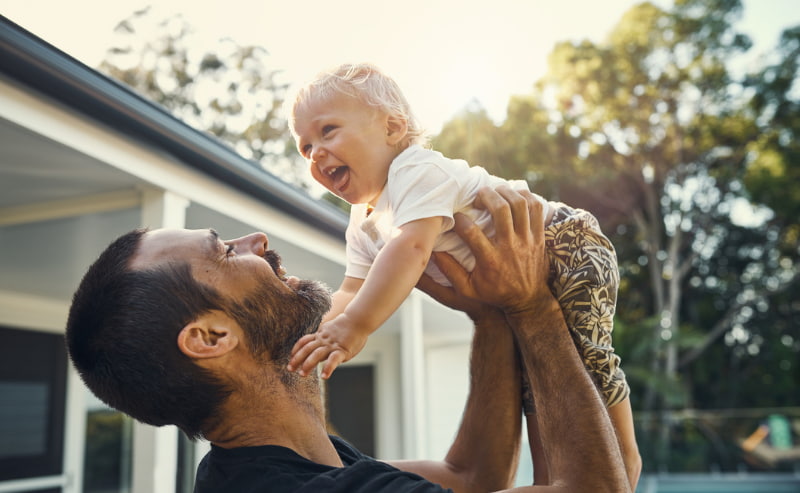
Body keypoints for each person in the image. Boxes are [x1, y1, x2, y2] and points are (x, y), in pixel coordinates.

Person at [65, 186, 631, 492]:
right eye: (223, 250)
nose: (255, 240)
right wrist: (531, 307)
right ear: (212, 336)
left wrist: (491, 317)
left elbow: (472, 477)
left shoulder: (286, 466)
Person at [288, 62, 640, 487]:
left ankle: (624, 462)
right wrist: (312, 333)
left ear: (393, 128)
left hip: (562, 244)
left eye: (328, 131)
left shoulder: (415, 172)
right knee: (539, 388)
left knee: (585, 362)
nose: (316, 153)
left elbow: (411, 250)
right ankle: (565, 477)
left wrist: (355, 326)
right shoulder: (364, 220)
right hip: (519, 281)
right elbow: (350, 288)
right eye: (305, 147)